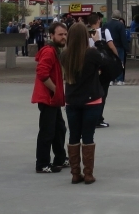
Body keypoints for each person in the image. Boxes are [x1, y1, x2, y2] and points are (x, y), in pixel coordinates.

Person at [61, 21, 120, 184]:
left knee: (73, 135)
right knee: (88, 136)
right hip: (92, 99)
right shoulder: (92, 53)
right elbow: (109, 63)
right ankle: (88, 174)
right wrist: (99, 42)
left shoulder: (65, 55)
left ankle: (75, 173)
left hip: (72, 100)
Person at [31, 21, 68, 174]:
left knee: (59, 128)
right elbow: (42, 73)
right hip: (48, 98)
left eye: (65, 34)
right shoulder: (49, 51)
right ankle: (42, 163)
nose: (63, 37)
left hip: (52, 98)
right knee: (47, 131)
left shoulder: (55, 51)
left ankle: (60, 157)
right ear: (52, 35)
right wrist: (55, 90)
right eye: (60, 35)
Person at [106, 11, 128, 86]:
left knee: (111, 62)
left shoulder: (106, 24)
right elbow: (123, 37)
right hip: (119, 46)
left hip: (108, 46)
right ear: (119, 17)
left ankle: (111, 79)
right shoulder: (120, 25)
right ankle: (120, 79)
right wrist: (126, 47)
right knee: (120, 62)